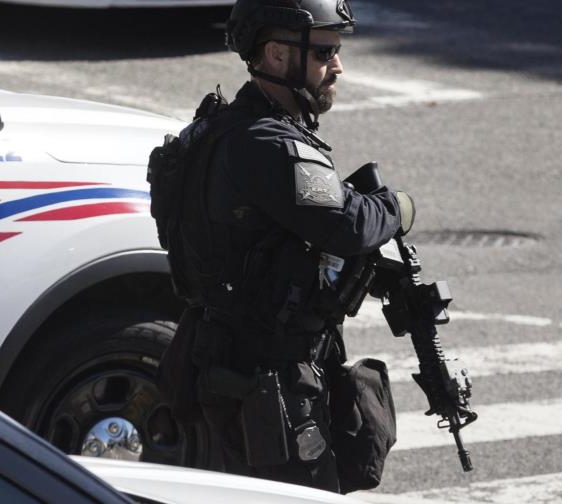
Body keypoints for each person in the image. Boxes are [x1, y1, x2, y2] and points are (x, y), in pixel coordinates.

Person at [151, 0, 414, 493]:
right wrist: (399, 206)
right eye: (324, 53)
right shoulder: (266, 144)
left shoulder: (219, 130)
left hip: (224, 361)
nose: (336, 67)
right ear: (275, 55)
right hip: (268, 386)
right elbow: (349, 223)